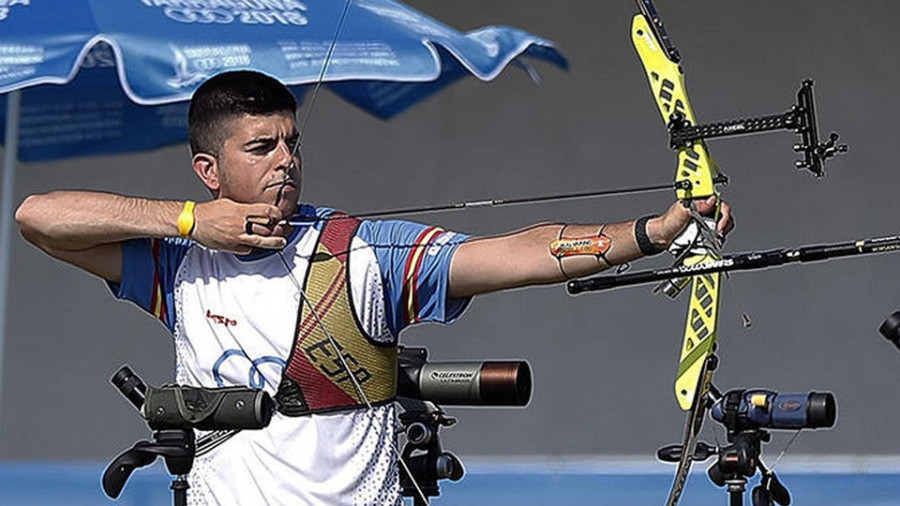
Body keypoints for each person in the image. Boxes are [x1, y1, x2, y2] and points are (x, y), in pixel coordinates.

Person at [14, 70, 733, 506]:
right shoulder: (178, 263)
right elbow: (39, 218)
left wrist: (656, 230)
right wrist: (189, 222)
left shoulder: (362, 254)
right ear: (210, 169)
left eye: (292, 142)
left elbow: (521, 252)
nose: (286, 162)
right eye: (261, 147)